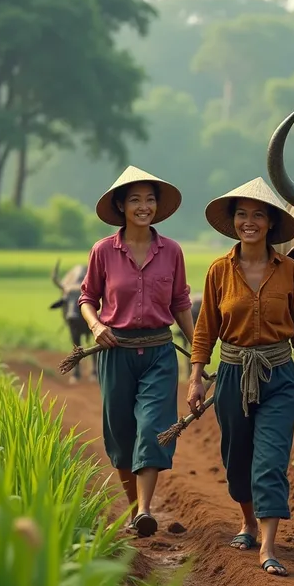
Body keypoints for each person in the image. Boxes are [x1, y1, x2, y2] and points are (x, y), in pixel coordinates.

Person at [187, 177, 294, 577]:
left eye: (257, 215)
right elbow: (205, 328)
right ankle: (246, 521)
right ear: (233, 222)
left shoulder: (289, 269)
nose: (249, 222)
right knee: (237, 459)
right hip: (231, 375)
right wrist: (195, 377)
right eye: (242, 215)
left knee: (271, 461)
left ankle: (268, 545)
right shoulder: (219, 271)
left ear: (270, 223)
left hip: (278, 373)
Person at [79, 165, 194, 538]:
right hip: (116, 353)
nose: (143, 206)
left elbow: (180, 302)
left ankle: (145, 510)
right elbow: (87, 299)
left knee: (153, 427)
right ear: (121, 206)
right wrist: (96, 327)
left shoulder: (172, 251)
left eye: (149, 200)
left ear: (157, 207)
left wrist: (197, 349)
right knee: (122, 434)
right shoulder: (103, 252)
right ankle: (133, 510)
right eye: (135, 200)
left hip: (159, 352)